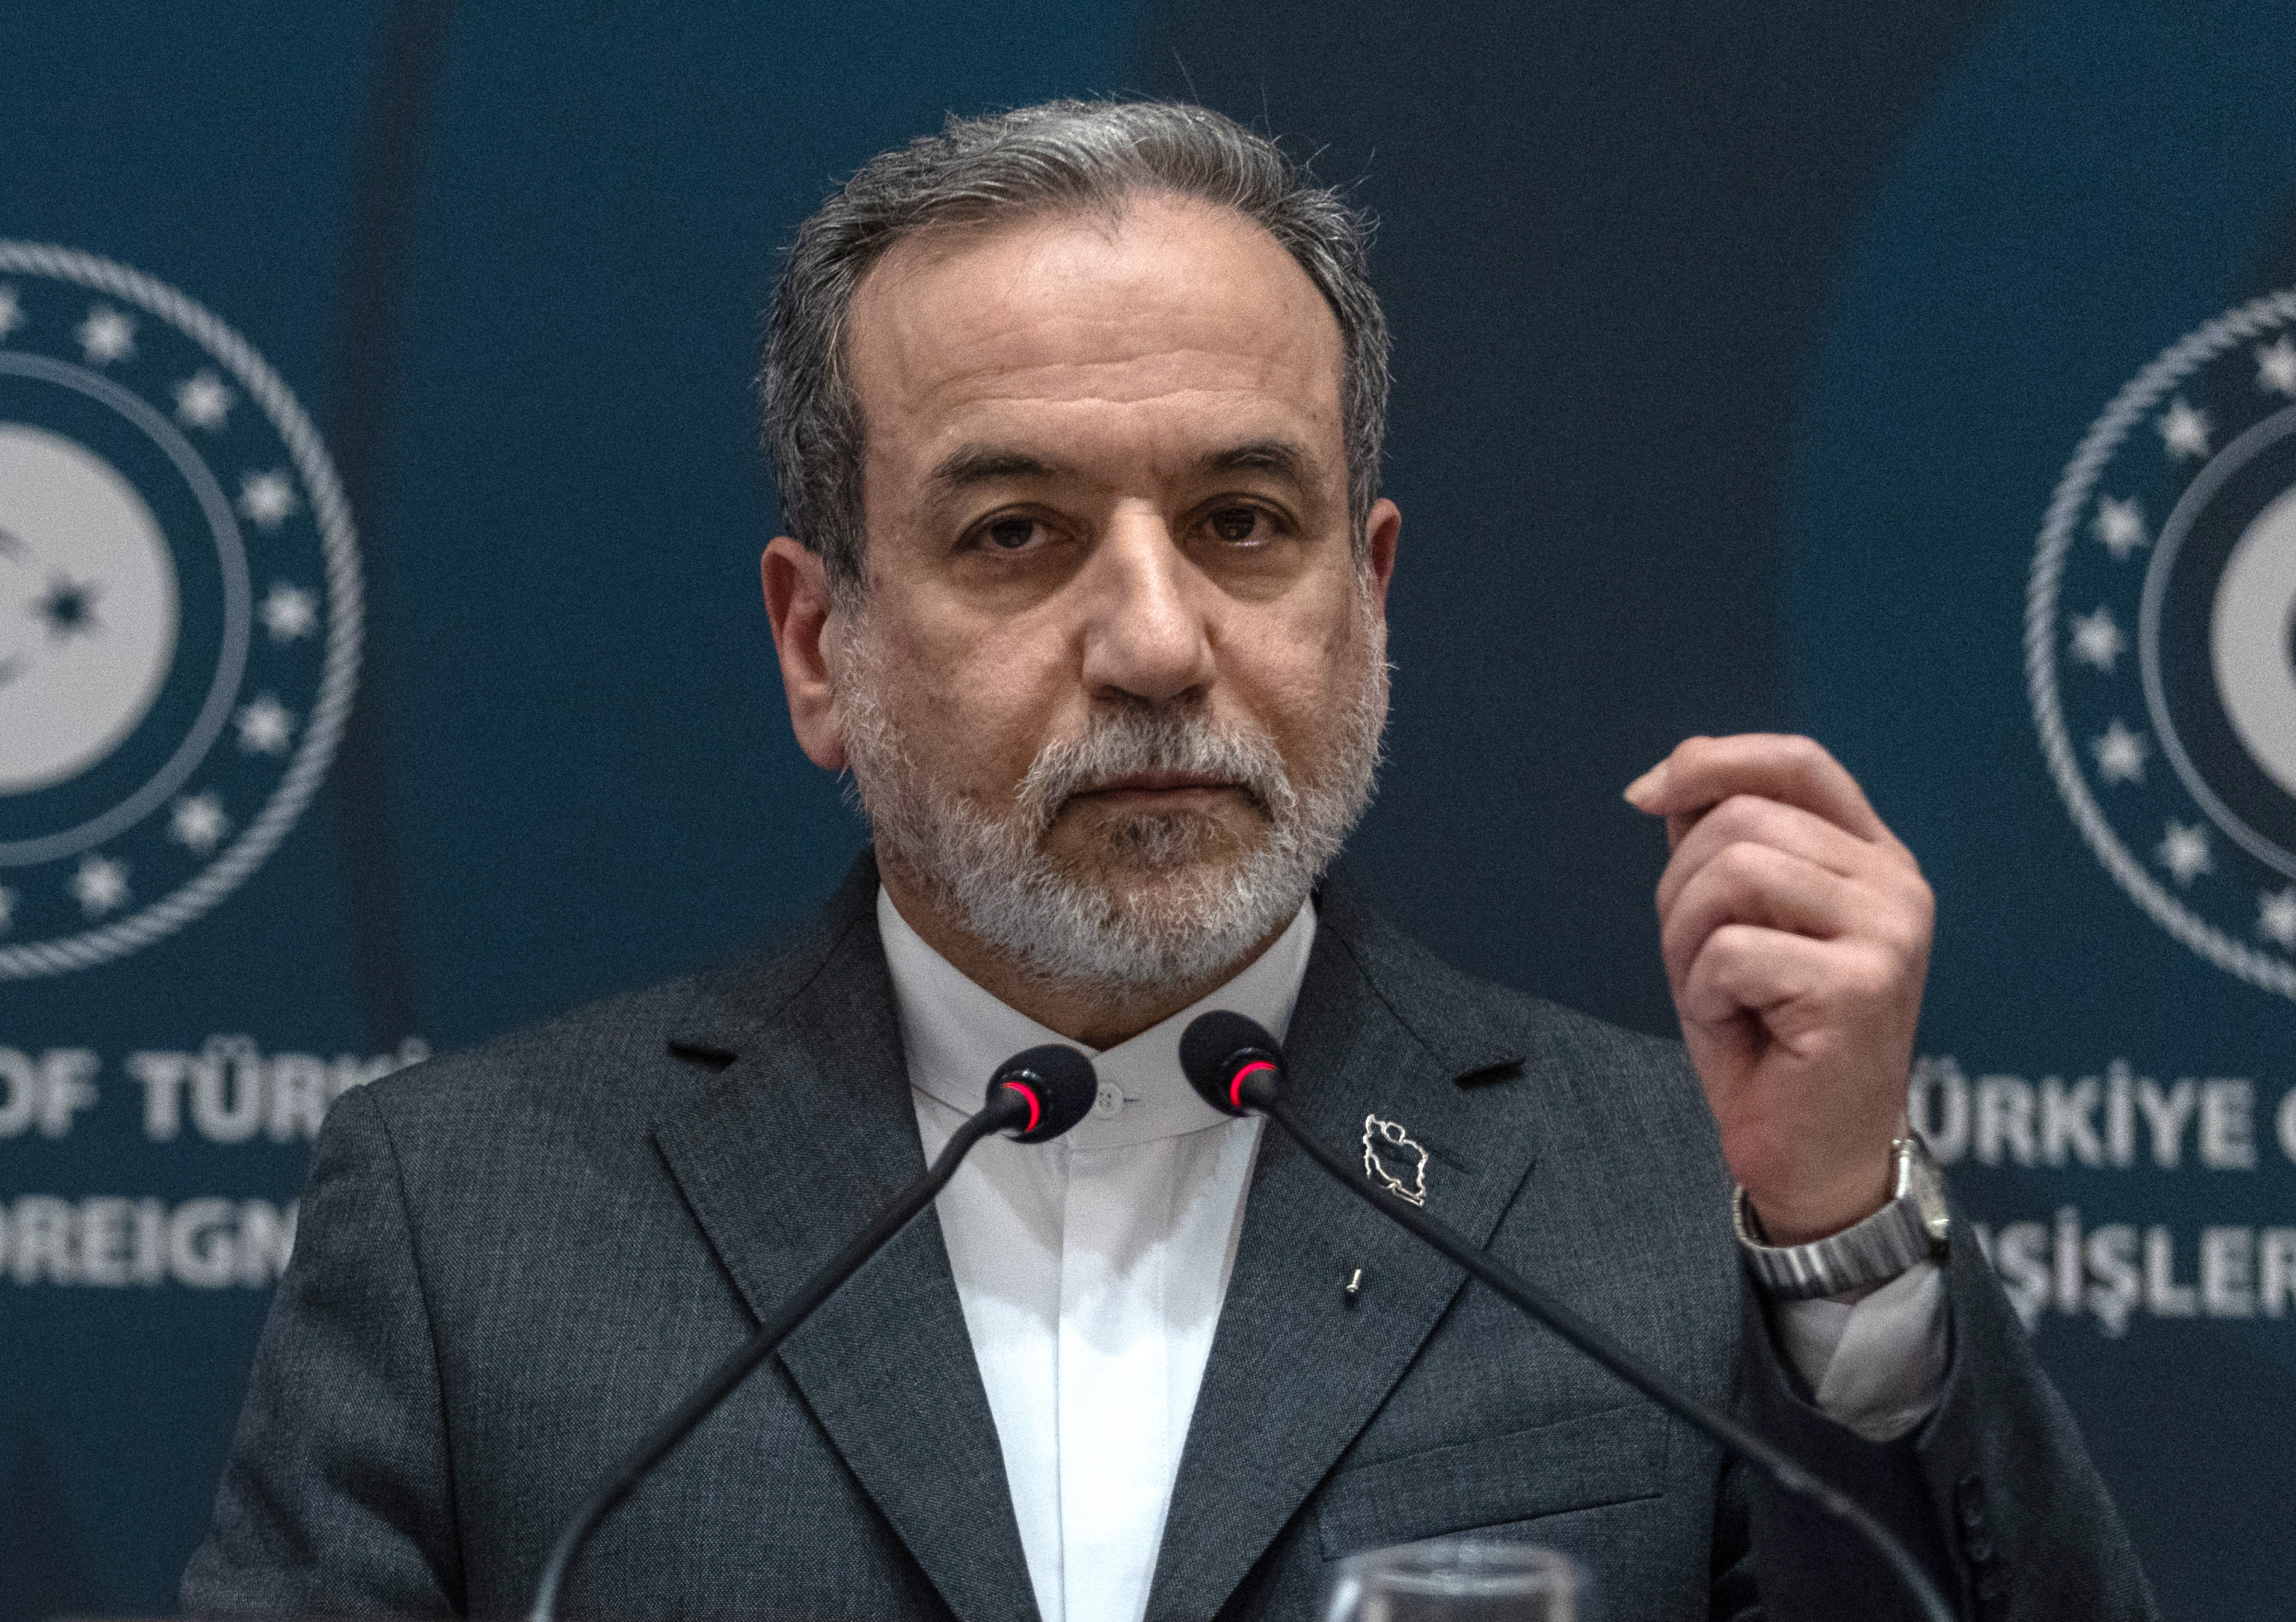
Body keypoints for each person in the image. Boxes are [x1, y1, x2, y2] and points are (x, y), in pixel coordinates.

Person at [184, 100, 2153, 1621]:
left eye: (1238, 522)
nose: (1151, 641)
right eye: (1015, 534)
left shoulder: (1674, 1197)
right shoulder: (474, 1222)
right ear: (819, 645)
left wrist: (1833, 1246)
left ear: (1365, 599)